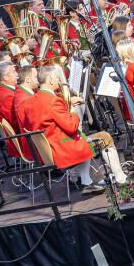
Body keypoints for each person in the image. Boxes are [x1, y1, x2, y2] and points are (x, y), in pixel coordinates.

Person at [30, 65, 127, 194]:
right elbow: (71, 127)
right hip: (64, 150)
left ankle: (86, 182)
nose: (59, 80)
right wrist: (73, 111)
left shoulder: (34, 99)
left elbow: (49, 115)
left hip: (51, 148)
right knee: (105, 137)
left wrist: (66, 104)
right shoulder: (53, 101)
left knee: (83, 136)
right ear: (50, 80)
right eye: (57, 78)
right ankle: (121, 179)